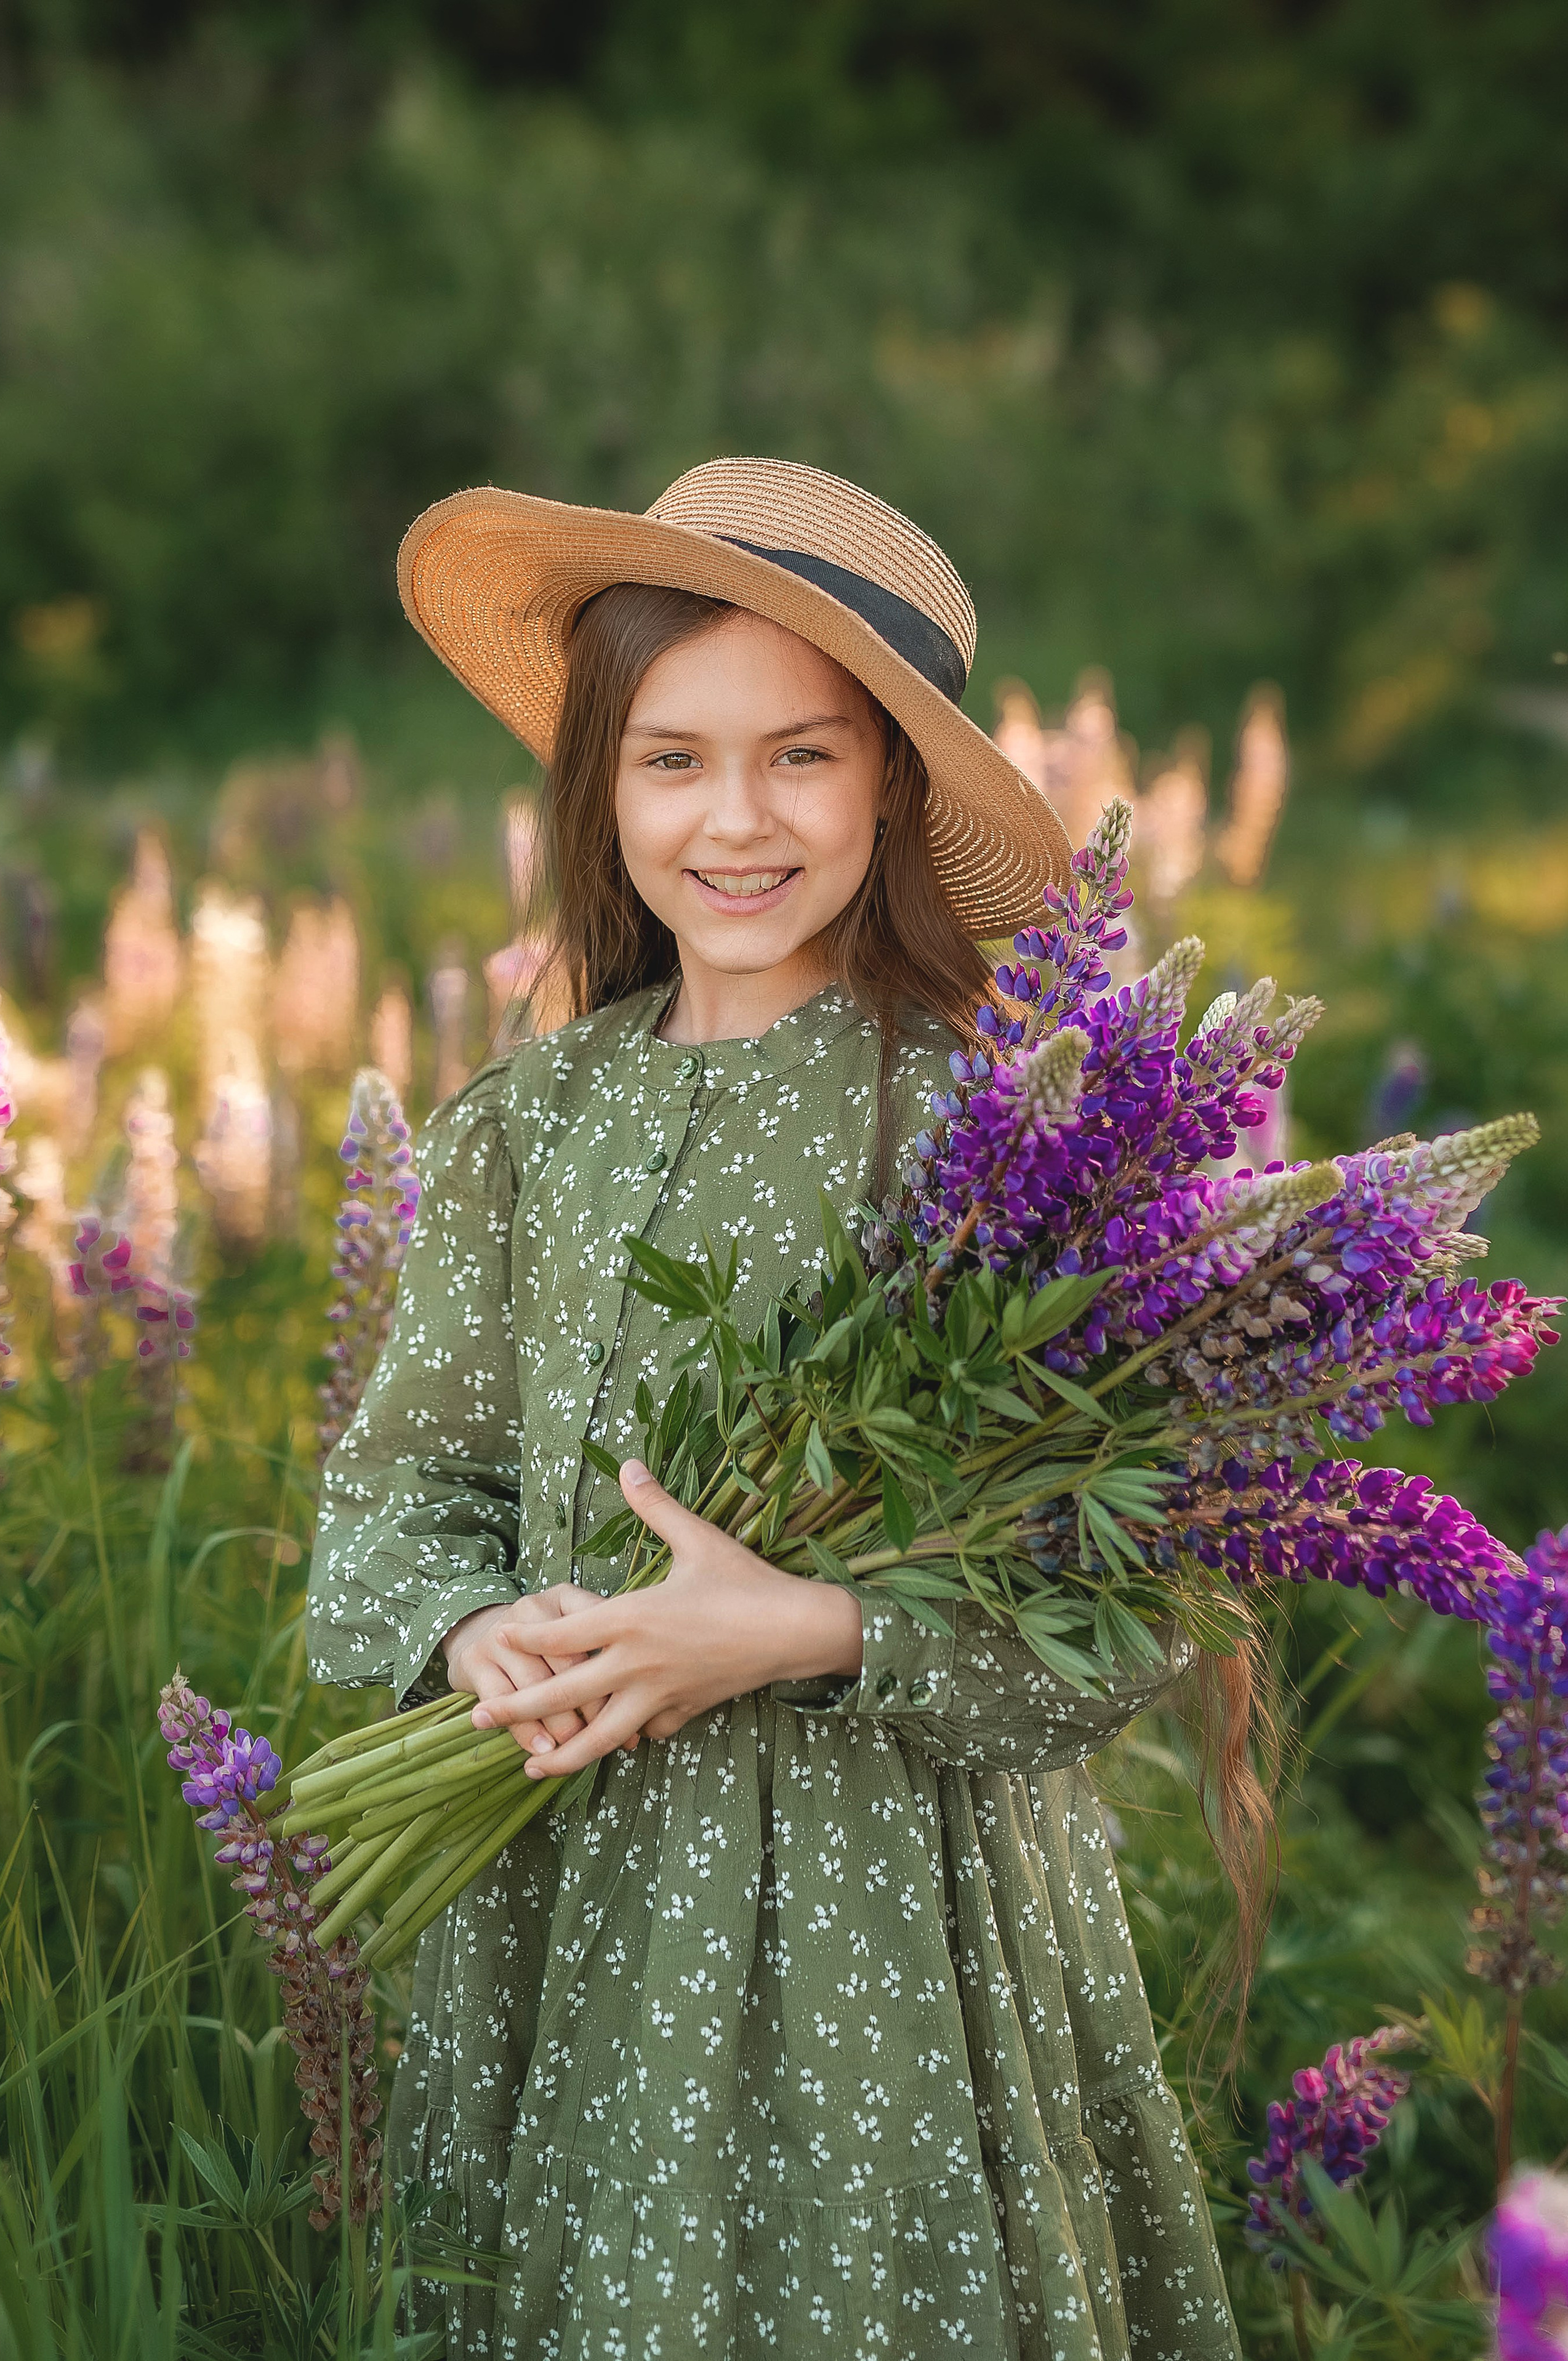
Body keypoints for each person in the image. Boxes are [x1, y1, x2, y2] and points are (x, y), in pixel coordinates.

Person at [307, 458, 1241, 2359]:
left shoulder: (994, 1130)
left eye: (801, 757)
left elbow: (1142, 1590)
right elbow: (402, 1492)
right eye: (672, 759)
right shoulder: (526, 1122)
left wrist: (804, 1628)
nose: (733, 818)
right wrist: (477, 1626)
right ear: (601, 784)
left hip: (889, 1911)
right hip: (572, 1878)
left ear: (892, 782)